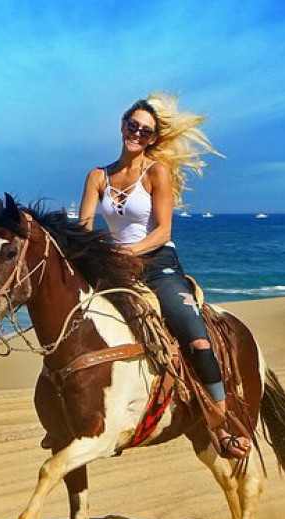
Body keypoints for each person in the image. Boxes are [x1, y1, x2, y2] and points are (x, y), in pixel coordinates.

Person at [77, 91, 251, 458]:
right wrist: (87, 257)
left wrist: (123, 252)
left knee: (195, 335)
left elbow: (162, 232)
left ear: (153, 139)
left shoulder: (157, 172)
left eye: (145, 131)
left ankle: (222, 420)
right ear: (122, 126)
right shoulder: (97, 176)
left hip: (157, 265)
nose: (137, 134)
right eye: (132, 126)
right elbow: (84, 227)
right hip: (112, 268)